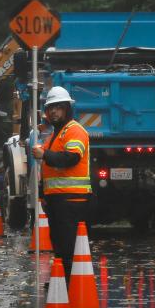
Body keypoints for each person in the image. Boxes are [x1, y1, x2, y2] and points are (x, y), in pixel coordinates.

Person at [31, 86, 94, 278]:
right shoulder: (53, 136)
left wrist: (44, 154)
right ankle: (62, 283)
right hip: (58, 200)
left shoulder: (75, 131)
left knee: (68, 247)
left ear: (67, 109)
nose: (53, 111)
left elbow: (70, 159)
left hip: (72, 201)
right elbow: (48, 169)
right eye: (50, 108)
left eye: (58, 107)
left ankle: (69, 285)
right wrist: (43, 195)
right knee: (59, 246)